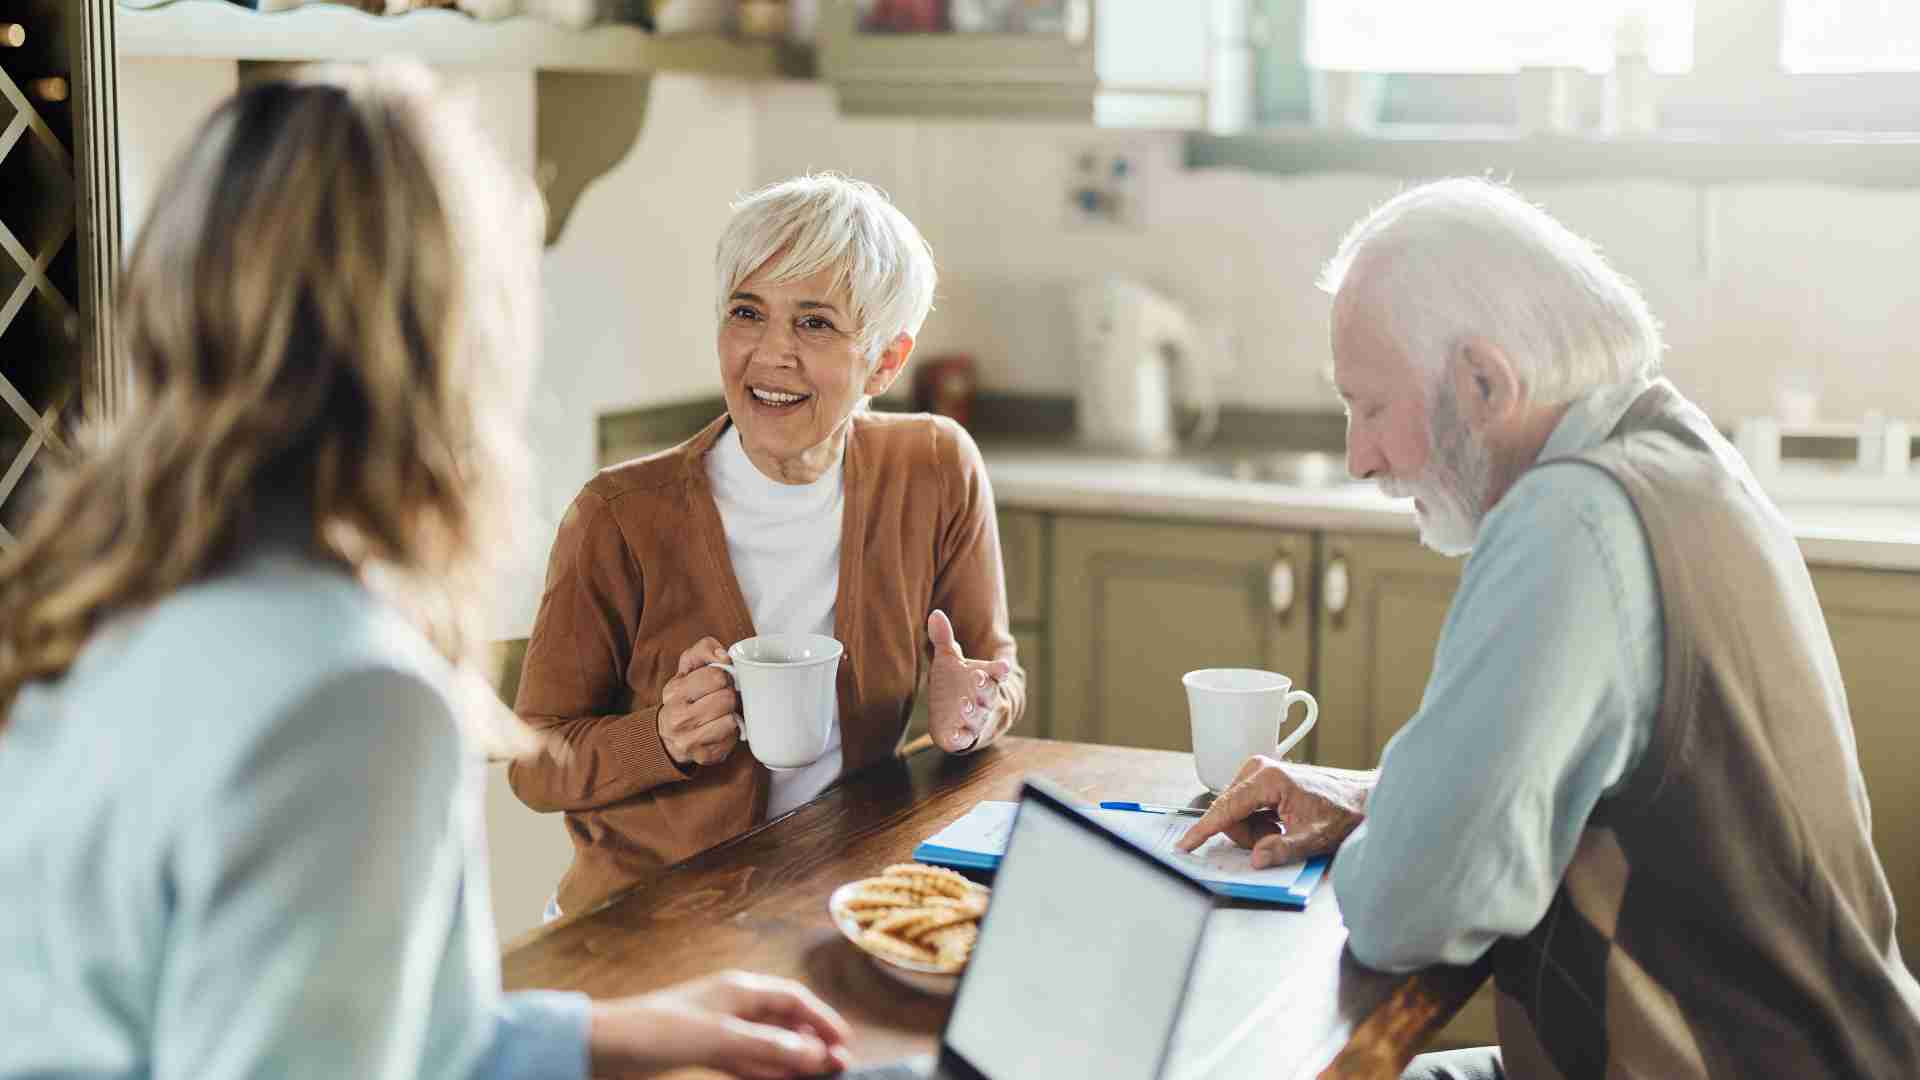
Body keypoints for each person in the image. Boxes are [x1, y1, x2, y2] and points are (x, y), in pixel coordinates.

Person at [0, 64, 851, 1079]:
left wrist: (609, 1033)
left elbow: (334, 1026)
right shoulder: (350, 698)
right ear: (449, 340)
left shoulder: (97, 589)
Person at [1177, 177, 1920, 1079]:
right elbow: (1578, 788)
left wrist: (1408, 831)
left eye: (1371, 405)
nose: (1358, 457)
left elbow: (1412, 908)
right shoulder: (1672, 453)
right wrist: (1374, 800)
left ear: (1485, 382)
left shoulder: (1569, 521)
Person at [508, 174, 1026, 920]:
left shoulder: (936, 468)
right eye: (747, 313)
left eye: (814, 324)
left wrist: (974, 709)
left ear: (884, 361)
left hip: (833, 896)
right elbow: (532, 765)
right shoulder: (619, 515)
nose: (769, 355)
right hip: (647, 921)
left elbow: (993, 670)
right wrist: (662, 735)